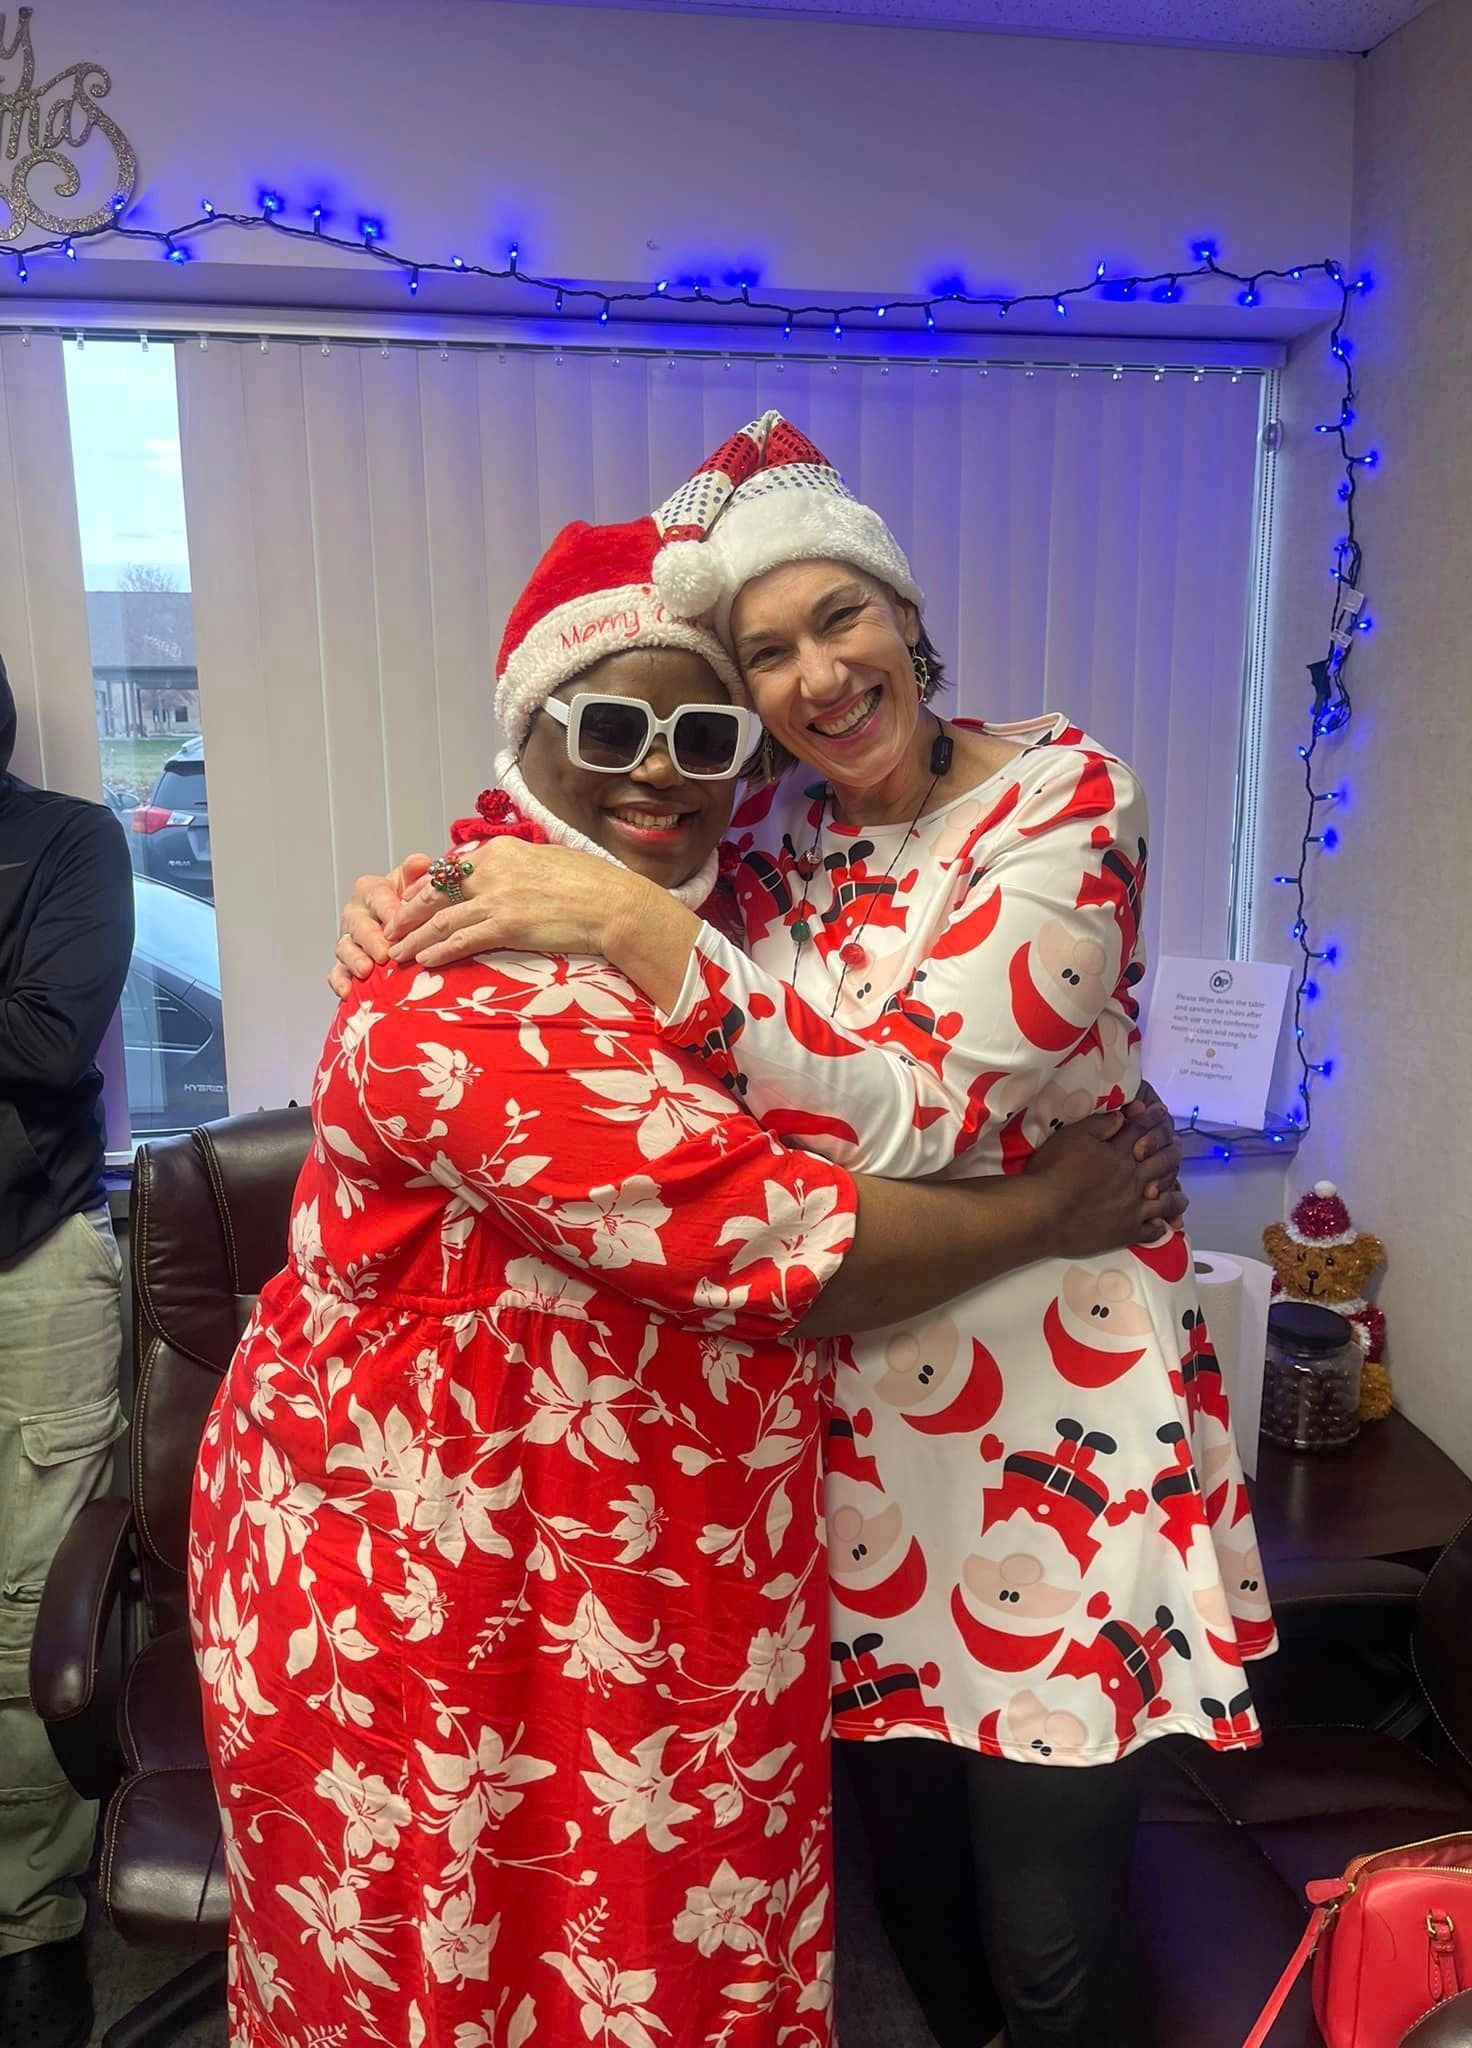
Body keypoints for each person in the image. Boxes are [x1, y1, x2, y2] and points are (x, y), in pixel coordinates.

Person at [339, 416, 1276, 2048]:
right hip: (827, 1437)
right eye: (764, 654)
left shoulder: (1064, 801)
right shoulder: (765, 836)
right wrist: (413, 902)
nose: (816, 677)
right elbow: (587, 797)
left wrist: (641, 932)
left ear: (907, 616)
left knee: (1050, 1942)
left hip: (1042, 1435)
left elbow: (924, 1105)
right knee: (908, 1913)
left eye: (840, 618)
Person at [0, 655, 133, 2048]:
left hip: (26, 1267)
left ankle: (31, 1927)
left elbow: (45, 1040)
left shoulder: (63, 839)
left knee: (23, 1617)